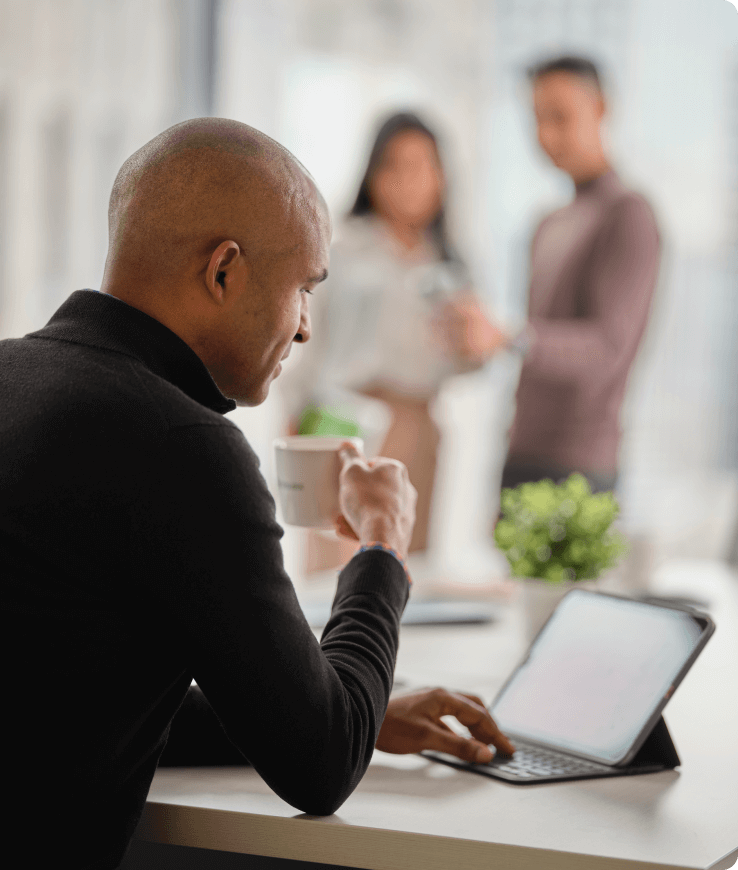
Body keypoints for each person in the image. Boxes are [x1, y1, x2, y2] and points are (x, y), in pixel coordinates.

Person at [1, 118, 514, 870]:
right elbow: (321, 766)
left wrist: (360, 712)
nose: (306, 328)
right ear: (223, 272)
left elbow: (69, 701)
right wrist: (380, 545)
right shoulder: (181, 444)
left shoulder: (15, 377)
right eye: (303, 287)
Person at [281, 112, 508, 559]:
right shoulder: (341, 248)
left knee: (404, 565)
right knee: (336, 564)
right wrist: (294, 419)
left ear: (442, 178)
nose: (409, 180)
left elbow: (471, 361)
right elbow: (306, 339)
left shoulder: (450, 264)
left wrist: (478, 340)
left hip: (419, 424)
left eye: (422, 166)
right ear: (373, 174)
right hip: (345, 421)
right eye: (394, 166)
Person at [501, 56, 661, 494]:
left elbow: (608, 347)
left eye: (560, 116)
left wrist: (510, 336)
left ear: (602, 109)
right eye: (536, 119)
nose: (546, 135)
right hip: (520, 450)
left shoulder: (628, 214)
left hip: (579, 465)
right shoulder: (548, 222)